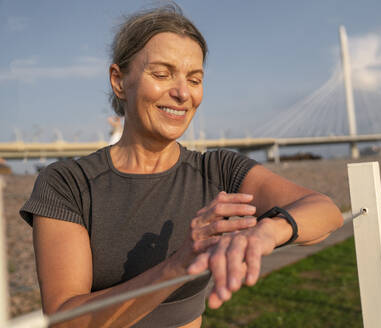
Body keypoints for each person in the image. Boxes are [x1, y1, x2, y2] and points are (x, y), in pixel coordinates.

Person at [20, 5, 343, 328]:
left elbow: (324, 211)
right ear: (119, 81)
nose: (182, 93)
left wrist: (266, 232)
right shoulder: (67, 183)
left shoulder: (218, 170)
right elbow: (65, 320)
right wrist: (177, 265)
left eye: (194, 79)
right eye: (161, 74)